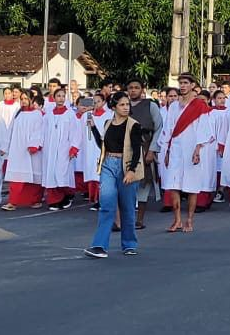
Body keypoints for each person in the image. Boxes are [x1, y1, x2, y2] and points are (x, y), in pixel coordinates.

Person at [84, 92, 146, 259]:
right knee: (107, 205)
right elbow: (103, 145)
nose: (126, 108)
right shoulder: (107, 123)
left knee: (127, 207)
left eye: (127, 105)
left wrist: (132, 170)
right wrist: (93, 129)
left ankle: (129, 244)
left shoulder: (134, 125)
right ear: (114, 107)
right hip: (108, 165)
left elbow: (136, 150)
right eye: (122, 105)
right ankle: (99, 245)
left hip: (125, 166)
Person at [152, 73, 216, 232]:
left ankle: (189, 220)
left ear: (193, 85)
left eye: (186, 83)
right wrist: (166, 151)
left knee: (191, 186)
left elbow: (204, 129)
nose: (182, 86)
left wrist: (198, 149)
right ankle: (177, 220)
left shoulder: (199, 105)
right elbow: (168, 129)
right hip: (175, 149)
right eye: (180, 83)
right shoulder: (173, 106)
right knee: (173, 184)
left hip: (191, 149)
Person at [2, 89, 45, 211]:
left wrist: (34, 145)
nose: (24, 101)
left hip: (31, 150)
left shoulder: (37, 114)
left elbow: (39, 131)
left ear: (31, 100)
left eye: (26, 99)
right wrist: (5, 147)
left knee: (34, 176)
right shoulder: (18, 113)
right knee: (17, 176)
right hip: (18, 150)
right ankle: (12, 202)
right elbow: (10, 130)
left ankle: (35, 200)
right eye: (22, 99)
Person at [40, 87, 81, 211]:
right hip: (50, 149)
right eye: (59, 96)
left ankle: (67, 195)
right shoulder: (48, 114)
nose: (61, 98)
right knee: (51, 173)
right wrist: (39, 143)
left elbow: (76, 132)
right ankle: (54, 199)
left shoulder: (70, 114)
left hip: (64, 148)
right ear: (54, 98)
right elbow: (42, 131)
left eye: (63, 96)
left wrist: (74, 147)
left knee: (62, 172)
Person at [125, 78, 162, 208]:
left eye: (136, 87)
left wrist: (152, 150)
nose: (133, 90)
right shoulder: (123, 105)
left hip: (145, 146)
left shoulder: (150, 105)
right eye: (131, 87)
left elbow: (158, 128)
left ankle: (139, 219)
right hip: (126, 148)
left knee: (144, 181)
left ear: (142, 89)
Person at [80, 95, 111, 216]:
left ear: (104, 102)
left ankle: (102, 200)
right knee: (92, 174)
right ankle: (94, 198)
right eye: (94, 101)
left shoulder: (109, 115)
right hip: (89, 149)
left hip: (101, 148)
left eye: (99, 101)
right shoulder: (86, 116)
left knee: (101, 174)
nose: (96, 103)